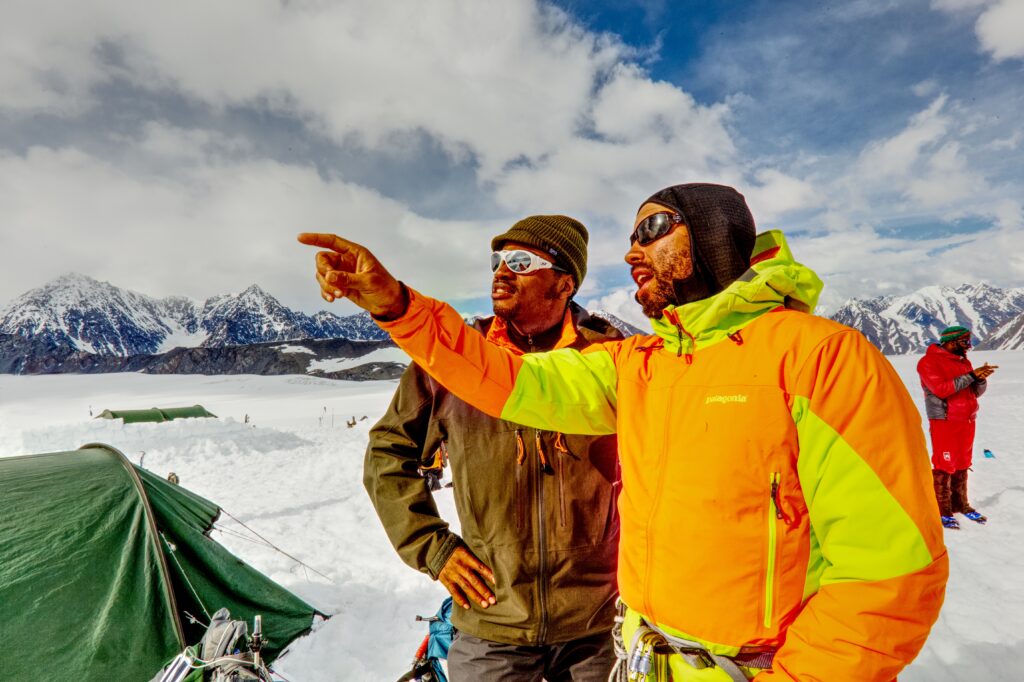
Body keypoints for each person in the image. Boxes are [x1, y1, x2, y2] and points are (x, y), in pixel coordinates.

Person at [299, 182, 948, 681]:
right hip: (630, 656)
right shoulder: (639, 366)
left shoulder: (819, 358)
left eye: (653, 229)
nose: (633, 251)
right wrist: (398, 306)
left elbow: (889, 573)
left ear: (716, 236)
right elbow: (509, 382)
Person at [362, 216, 622, 681]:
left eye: (521, 262)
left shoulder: (610, 355)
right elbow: (388, 452)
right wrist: (432, 547)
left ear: (564, 283)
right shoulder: (454, 360)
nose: (501, 272)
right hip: (491, 618)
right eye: (497, 261)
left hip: (597, 625)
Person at [917, 325, 997, 530]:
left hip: (967, 419)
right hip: (945, 420)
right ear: (952, 342)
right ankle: (942, 509)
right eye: (965, 342)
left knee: (962, 461)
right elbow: (942, 390)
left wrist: (979, 380)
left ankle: (960, 504)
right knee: (945, 463)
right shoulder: (928, 362)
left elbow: (972, 393)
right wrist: (971, 376)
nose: (968, 347)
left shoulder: (963, 362)